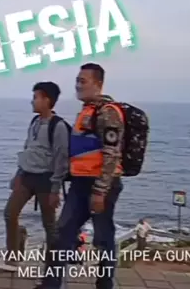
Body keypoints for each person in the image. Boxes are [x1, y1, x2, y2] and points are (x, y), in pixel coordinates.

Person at [36, 63, 125, 289]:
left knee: (103, 238)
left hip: (101, 185)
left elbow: (112, 154)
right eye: (77, 80)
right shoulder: (86, 112)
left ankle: (105, 284)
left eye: (83, 81)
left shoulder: (108, 113)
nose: (78, 85)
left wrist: (100, 191)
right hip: (80, 184)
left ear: (98, 84)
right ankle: (51, 285)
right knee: (62, 233)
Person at [3, 82, 69, 268]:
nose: (32, 101)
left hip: (46, 179)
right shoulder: (35, 122)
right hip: (26, 176)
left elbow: (61, 159)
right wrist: (18, 174)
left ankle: (52, 263)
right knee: (10, 213)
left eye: (35, 97)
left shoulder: (58, 126)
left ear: (47, 100)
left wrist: (55, 189)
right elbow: (28, 149)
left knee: (49, 224)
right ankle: (13, 256)